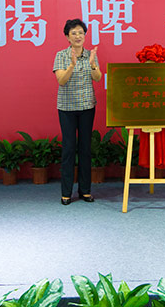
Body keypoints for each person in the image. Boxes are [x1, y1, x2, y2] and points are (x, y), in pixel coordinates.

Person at [53, 19, 102, 205]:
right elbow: (61, 80)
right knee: (68, 149)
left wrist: (92, 64)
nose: (78, 36)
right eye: (73, 33)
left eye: (81, 32)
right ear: (67, 37)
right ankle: (66, 192)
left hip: (87, 107)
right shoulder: (61, 55)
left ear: (85, 35)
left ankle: (85, 191)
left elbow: (98, 78)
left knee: (85, 149)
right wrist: (72, 65)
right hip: (67, 108)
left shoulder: (91, 55)